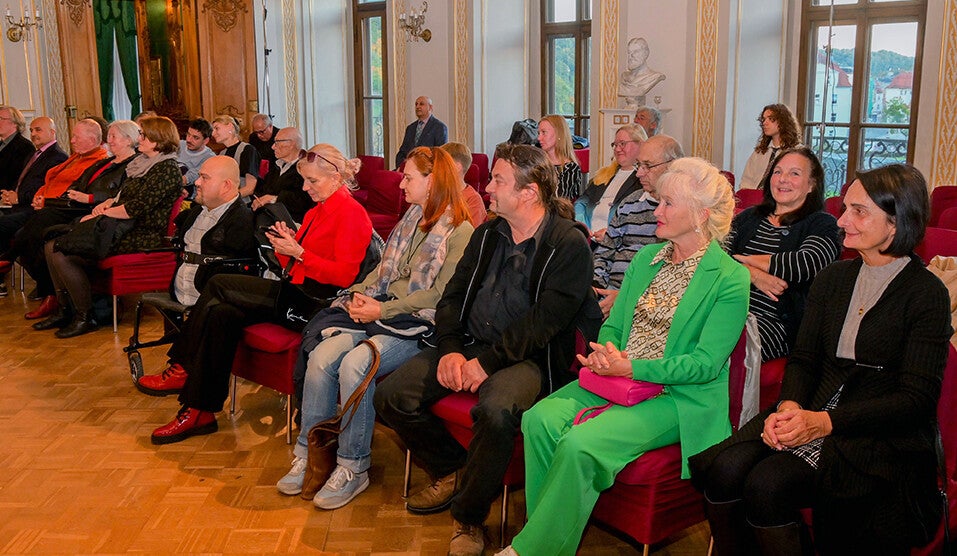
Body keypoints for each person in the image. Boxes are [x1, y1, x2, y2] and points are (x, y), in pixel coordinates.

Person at [691, 164, 951, 555]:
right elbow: (804, 359)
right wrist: (790, 407)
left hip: (876, 430)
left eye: (859, 211)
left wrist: (824, 423)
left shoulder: (925, 293)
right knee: (723, 469)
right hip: (813, 405)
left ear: (896, 222)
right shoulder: (835, 277)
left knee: (767, 484)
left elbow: (915, 400)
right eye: (845, 208)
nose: (842, 221)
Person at [498, 158, 749, 556]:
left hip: (677, 396)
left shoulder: (729, 277)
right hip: (618, 378)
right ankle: (544, 540)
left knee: (580, 444)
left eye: (667, 203)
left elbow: (705, 364)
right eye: (658, 200)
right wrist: (608, 350)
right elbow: (614, 324)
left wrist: (631, 366)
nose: (657, 210)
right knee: (538, 420)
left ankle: (531, 550)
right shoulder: (646, 259)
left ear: (701, 215)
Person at [374, 144, 600, 556]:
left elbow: (544, 323)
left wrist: (487, 363)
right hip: (469, 343)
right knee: (391, 395)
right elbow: (452, 297)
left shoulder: (568, 244)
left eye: (498, 180)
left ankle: (469, 518)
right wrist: (449, 349)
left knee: (496, 412)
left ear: (529, 192)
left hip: (529, 357)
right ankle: (453, 469)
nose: (487, 188)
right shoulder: (488, 234)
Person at [276, 146, 474, 510]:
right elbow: (382, 273)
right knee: (321, 356)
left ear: (432, 182)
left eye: (408, 178)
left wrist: (381, 308)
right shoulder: (411, 218)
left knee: (356, 363)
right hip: (381, 311)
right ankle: (310, 453)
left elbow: (438, 297)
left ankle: (354, 466)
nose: (401, 184)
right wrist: (356, 294)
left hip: (418, 325)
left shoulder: (460, 231)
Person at [149, 144, 374, 445]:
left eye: (312, 181)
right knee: (221, 313)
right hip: (296, 293)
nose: (305, 188)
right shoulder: (318, 209)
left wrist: (299, 252)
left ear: (336, 178)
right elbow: (293, 266)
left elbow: (343, 277)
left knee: (218, 284)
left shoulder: (351, 214)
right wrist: (284, 246)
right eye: (304, 180)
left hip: (314, 306)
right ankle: (199, 411)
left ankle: (182, 365)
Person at [39, 116, 182, 339]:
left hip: (142, 233)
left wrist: (103, 213)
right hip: (122, 225)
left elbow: (136, 208)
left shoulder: (167, 169)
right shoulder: (143, 163)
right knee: (51, 244)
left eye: (144, 136)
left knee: (60, 251)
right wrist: (105, 206)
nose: (139, 139)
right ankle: (66, 310)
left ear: (158, 140)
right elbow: (122, 197)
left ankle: (85, 316)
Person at [135, 156, 258, 396]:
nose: (197, 183)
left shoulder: (242, 220)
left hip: (211, 295)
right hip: (182, 288)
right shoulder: (196, 212)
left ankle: (182, 369)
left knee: (216, 309)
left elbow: (242, 270)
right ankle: (182, 366)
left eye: (204, 178)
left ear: (226, 186)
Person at [5, 120, 141, 320]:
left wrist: (90, 198)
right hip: (74, 206)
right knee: (39, 234)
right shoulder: (106, 162)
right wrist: (53, 199)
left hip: (94, 214)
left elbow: (121, 196)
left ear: (129, 140)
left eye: (113, 137)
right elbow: (77, 184)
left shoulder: (132, 165)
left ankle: (63, 303)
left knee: (42, 233)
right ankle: (60, 303)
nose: (108, 141)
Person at [728, 147, 841, 361]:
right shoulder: (749, 217)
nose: (782, 179)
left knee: (722, 346)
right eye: (777, 172)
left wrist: (746, 259)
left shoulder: (823, 224)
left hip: (775, 322)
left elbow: (806, 264)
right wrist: (751, 273)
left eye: (794, 173)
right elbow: (715, 259)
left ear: (812, 184)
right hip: (726, 308)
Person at [592, 134, 683, 317]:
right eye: (638, 165)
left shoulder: (681, 215)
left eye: (647, 166)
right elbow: (605, 252)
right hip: (609, 293)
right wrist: (595, 289)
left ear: (672, 166)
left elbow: (672, 280)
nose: (639, 173)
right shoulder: (630, 203)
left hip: (648, 304)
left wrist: (625, 298)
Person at [0, 116, 68, 297]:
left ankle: (5, 267)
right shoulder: (36, 154)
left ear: (52, 132)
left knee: (7, 227)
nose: (33, 134)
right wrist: (11, 194)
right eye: (31, 130)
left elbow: (47, 189)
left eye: (38, 130)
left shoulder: (58, 157)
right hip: (21, 206)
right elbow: (24, 181)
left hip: (36, 210)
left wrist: (19, 197)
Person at [574, 123, 647, 236]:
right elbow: (582, 201)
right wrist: (582, 225)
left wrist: (610, 234)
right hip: (589, 238)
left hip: (617, 241)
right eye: (615, 144)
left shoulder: (643, 179)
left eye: (622, 144)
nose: (617, 149)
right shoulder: (604, 174)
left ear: (640, 144)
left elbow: (638, 219)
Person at [251, 127, 313, 222]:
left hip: (295, 223)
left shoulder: (306, 168)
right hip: (271, 217)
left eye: (277, 142)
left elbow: (304, 200)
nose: (273, 147)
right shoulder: (277, 165)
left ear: (291, 144)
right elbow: (265, 189)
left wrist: (274, 198)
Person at [739, 103, 802, 190]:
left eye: (770, 119)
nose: (765, 123)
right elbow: (746, 180)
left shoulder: (797, 152)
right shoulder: (760, 151)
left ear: (783, 121)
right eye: (764, 119)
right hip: (755, 195)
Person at [439, 141, 487, 226]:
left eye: (441, 164)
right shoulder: (438, 193)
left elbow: (472, 232)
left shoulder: (473, 200)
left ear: (457, 167)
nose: (436, 169)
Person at [211, 115, 259, 198]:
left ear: (230, 126)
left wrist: (227, 199)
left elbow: (250, 188)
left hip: (244, 201)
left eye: (217, 128)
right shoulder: (222, 153)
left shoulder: (247, 150)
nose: (213, 133)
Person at [395, 96, 449, 168]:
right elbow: (402, 152)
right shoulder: (410, 128)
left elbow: (440, 154)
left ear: (430, 107)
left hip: (428, 169)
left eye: (421, 104)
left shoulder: (440, 127)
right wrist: (400, 167)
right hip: (409, 168)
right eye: (416, 104)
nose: (417, 107)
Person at [538, 115, 583, 200]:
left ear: (559, 134)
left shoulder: (570, 169)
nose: (539, 138)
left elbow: (558, 199)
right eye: (539, 133)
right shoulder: (537, 163)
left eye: (544, 132)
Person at [618, 37, 666, 108]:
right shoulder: (624, 76)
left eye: (635, 52)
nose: (631, 56)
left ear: (646, 53)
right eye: (629, 52)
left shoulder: (654, 76)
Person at [0, 105, 37, 189]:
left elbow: (19, 178)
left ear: (15, 123)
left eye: (1, 119)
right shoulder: (2, 144)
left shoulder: (25, 147)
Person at [178, 118, 215, 197]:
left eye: (195, 138)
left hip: (189, 197)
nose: (189, 140)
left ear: (206, 141)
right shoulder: (179, 145)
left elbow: (189, 177)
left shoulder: (209, 158)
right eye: (188, 135)